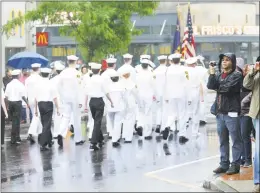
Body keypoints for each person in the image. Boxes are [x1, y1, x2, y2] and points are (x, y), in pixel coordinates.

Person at [208, 53, 243, 175]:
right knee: (223, 140)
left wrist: (218, 87)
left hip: (232, 112)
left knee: (235, 140)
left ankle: (236, 165)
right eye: (223, 60)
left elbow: (227, 89)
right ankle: (224, 164)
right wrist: (212, 73)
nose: (224, 62)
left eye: (227, 60)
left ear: (232, 62)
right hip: (220, 113)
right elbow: (210, 85)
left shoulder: (237, 75)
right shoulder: (218, 75)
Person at [57, 55, 85, 147]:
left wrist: (62, 96)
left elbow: (59, 86)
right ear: (76, 62)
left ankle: (61, 133)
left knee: (65, 116)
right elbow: (80, 88)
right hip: (75, 98)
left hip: (66, 97)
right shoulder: (77, 73)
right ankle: (78, 139)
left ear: (68, 62)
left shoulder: (63, 73)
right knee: (76, 118)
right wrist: (81, 101)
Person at [85, 63, 114, 151]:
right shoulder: (102, 80)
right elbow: (106, 92)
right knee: (97, 122)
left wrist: (85, 104)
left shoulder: (89, 80)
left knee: (96, 121)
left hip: (91, 102)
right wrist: (111, 101)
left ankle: (100, 139)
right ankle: (93, 142)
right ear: (100, 70)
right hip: (99, 101)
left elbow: (85, 93)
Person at [243, 57, 260, 193]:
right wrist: (254, 70)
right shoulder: (257, 74)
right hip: (258, 116)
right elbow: (247, 85)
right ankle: (258, 181)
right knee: (259, 150)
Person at [164, 53, 189, 144]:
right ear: (179, 60)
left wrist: (166, 95)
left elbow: (166, 83)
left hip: (171, 94)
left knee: (172, 113)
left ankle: (167, 126)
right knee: (182, 114)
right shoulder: (183, 69)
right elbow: (186, 83)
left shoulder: (168, 70)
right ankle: (182, 135)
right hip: (181, 94)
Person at [35, 68, 60, 151]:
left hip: (40, 104)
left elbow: (36, 98)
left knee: (44, 123)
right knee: (47, 124)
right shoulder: (51, 83)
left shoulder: (38, 84)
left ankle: (49, 141)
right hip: (48, 104)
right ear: (49, 74)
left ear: (41, 74)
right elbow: (55, 97)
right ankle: (43, 144)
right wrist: (58, 108)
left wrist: (35, 109)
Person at [5, 69, 29, 145]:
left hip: (11, 103)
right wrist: (27, 103)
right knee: (16, 122)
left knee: (14, 121)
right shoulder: (20, 84)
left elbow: (6, 97)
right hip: (17, 104)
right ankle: (14, 139)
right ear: (18, 76)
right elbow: (23, 96)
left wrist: (6, 106)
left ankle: (17, 137)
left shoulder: (9, 84)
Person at [135, 59, 156, 140]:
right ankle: (147, 133)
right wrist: (154, 95)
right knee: (148, 113)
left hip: (140, 95)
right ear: (148, 65)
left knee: (141, 112)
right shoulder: (151, 74)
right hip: (148, 95)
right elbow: (154, 85)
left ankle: (140, 125)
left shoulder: (138, 74)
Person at [185, 57, 205, 137]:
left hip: (185, 92)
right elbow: (200, 84)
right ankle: (194, 132)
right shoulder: (197, 71)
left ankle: (183, 132)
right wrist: (202, 96)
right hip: (194, 91)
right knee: (195, 112)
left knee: (185, 112)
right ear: (194, 64)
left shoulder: (184, 71)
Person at [106, 71, 126, 147]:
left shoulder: (108, 86)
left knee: (111, 122)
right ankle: (115, 139)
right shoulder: (121, 86)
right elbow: (124, 96)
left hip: (110, 107)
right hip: (119, 107)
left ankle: (112, 135)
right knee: (117, 123)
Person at [120, 65, 139, 143]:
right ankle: (128, 137)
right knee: (130, 120)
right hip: (130, 103)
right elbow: (136, 93)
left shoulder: (120, 83)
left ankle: (124, 135)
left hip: (122, 103)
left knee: (124, 119)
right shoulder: (132, 83)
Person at [25, 63, 43, 144]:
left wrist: (26, 102)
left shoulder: (27, 79)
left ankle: (40, 134)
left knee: (36, 116)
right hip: (38, 100)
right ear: (38, 69)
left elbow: (25, 91)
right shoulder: (40, 79)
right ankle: (31, 133)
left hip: (30, 100)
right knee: (37, 116)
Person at [101, 57, 117, 139]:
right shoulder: (116, 73)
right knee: (116, 115)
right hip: (115, 95)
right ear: (114, 65)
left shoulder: (103, 74)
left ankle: (110, 131)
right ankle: (115, 131)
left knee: (108, 114)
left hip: (105, 96)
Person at [153, 55, 168, 134]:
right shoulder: (167, 70)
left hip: (157, 92)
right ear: (165, 61)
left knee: (158, 109)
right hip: (166, 92)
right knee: (165, 110)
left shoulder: (155, 71)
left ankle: (158, 124)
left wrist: (154, 94)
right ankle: (163, 127)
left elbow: (153, 83)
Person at [50, 62, 65, 139]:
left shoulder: (52, 80)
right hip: (63, 100)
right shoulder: (65, 79)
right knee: (65, 117)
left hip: (55, 99)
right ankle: (62, 132)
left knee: (57, 116)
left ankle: (56, 132)